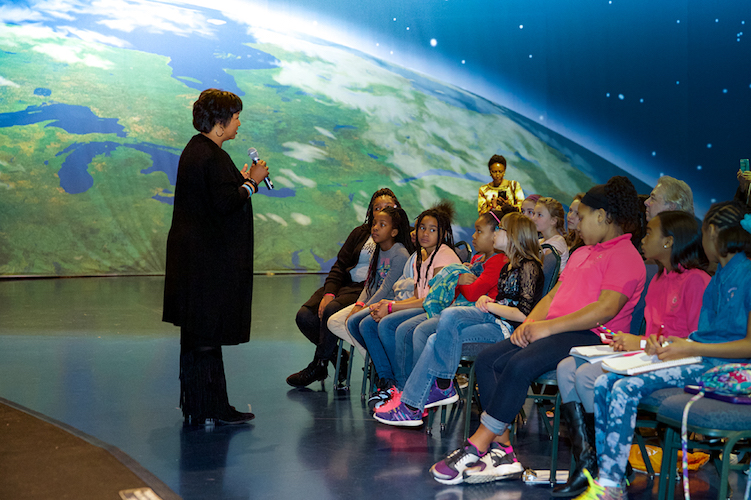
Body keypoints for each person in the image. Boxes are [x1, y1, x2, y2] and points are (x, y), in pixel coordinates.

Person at [429, 176, 645, 486]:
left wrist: (546, 328)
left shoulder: (625, 256)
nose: (577, 225)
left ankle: (477, 444)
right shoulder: (583, 252)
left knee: (518, 365)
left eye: (582, 218)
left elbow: (604, 311)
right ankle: (503, 450)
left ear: (602, 216)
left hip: (593, 337)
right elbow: (553, 296)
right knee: (489, 360)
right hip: (554, 331)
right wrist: (530, 325)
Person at [577, 201, 751, 500]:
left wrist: (689, 346)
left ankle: (610, 485)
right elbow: (703, 335)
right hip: (700, 355)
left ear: (712, 233)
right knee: (606, 382)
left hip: (724, 367)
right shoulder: (722, 274)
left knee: (627, 388)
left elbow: (746, 345)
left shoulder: (745, 273)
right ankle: (609, 479)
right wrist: (667, 346)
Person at [552, 210, 710, 497]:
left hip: (678, 361)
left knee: (588, 376)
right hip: (651, 355)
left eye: (650, 232)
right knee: (566, 367)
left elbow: (694, 340)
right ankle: (591, 458)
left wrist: (637, 342)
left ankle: (608, 462)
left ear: (669, 242)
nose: (643, 238)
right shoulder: (659, 280)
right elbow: (653, 336)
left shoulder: (696, 280)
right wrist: (632, 342)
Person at [373, 212, 544, 427]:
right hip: (491, 318)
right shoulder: (509, 266)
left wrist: (490, 304)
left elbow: (523, 314)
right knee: (445, 322)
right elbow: (499, 298)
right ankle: (421, 400)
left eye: (500, 230)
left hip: (506, 329)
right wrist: (487, 300)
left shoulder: (529, 266)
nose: (496, 233)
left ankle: (425, 397)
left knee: (437, 335)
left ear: (512, 236)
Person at [163, 88, 269, 425]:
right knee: (206, 339)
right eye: (236, 117)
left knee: (197, 339)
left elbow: (213, 199)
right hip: (206, 267)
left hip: (194, 264)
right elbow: (225, 204)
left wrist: (238, 181)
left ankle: (201, 404)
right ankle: (213, 407)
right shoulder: (211, 156)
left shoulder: (197, 151)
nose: (239, 123)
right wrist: (252, 182)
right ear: (220, 123)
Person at [286, 188, 401, 388]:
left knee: (331, 312)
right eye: (377, 208)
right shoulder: (360, 232)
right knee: (304, 316)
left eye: (388, 207)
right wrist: (329, 292)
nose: (382, 211)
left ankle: (319, 364)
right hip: (345, 285)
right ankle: (338, 356)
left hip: (367, 289)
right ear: (370, 212)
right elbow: (340, 265)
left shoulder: (400, 236)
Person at [354, 202, 461, 402]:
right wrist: (387, 303)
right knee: (367, 324)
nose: (425, 233)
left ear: (443, 233)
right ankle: (389, 380)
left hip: (440, 313)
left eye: (432, 230)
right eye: (422, 227)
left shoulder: (444, 256)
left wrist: (391, 307)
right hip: (425, 307)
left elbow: (430, 302)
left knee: (390, 325)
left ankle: (404, 389)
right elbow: (417, 295)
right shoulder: (422, 256)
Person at [326, 207, 413, 358]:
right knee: (333, 322)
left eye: (382, 225)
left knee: (354, 323)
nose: (375, 228)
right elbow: (370, 284)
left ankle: (378, 362)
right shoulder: (377, 251)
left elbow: (385, 288)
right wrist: (359, 305)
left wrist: (364, 308)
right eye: (374, 224)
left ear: (394, 232)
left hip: (387, 304)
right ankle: (375, 357)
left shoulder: (400, 254)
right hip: (371, 302)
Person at [534, 196, 570, 271]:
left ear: (553, 220)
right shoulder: (540, 241)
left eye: (539, 215)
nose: (533, 218)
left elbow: (545, 271)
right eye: (534, 214)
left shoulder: (556, 244)